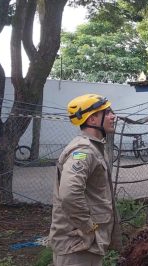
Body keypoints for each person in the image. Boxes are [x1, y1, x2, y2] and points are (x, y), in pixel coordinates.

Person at [49, 94, 121, 265]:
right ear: (93, 119)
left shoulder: (93, 148)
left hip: (85, 248)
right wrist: (89, 227)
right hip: (77, 249)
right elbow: (69, 193)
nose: (113, 116)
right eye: (107, 112)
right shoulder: (84, 151)